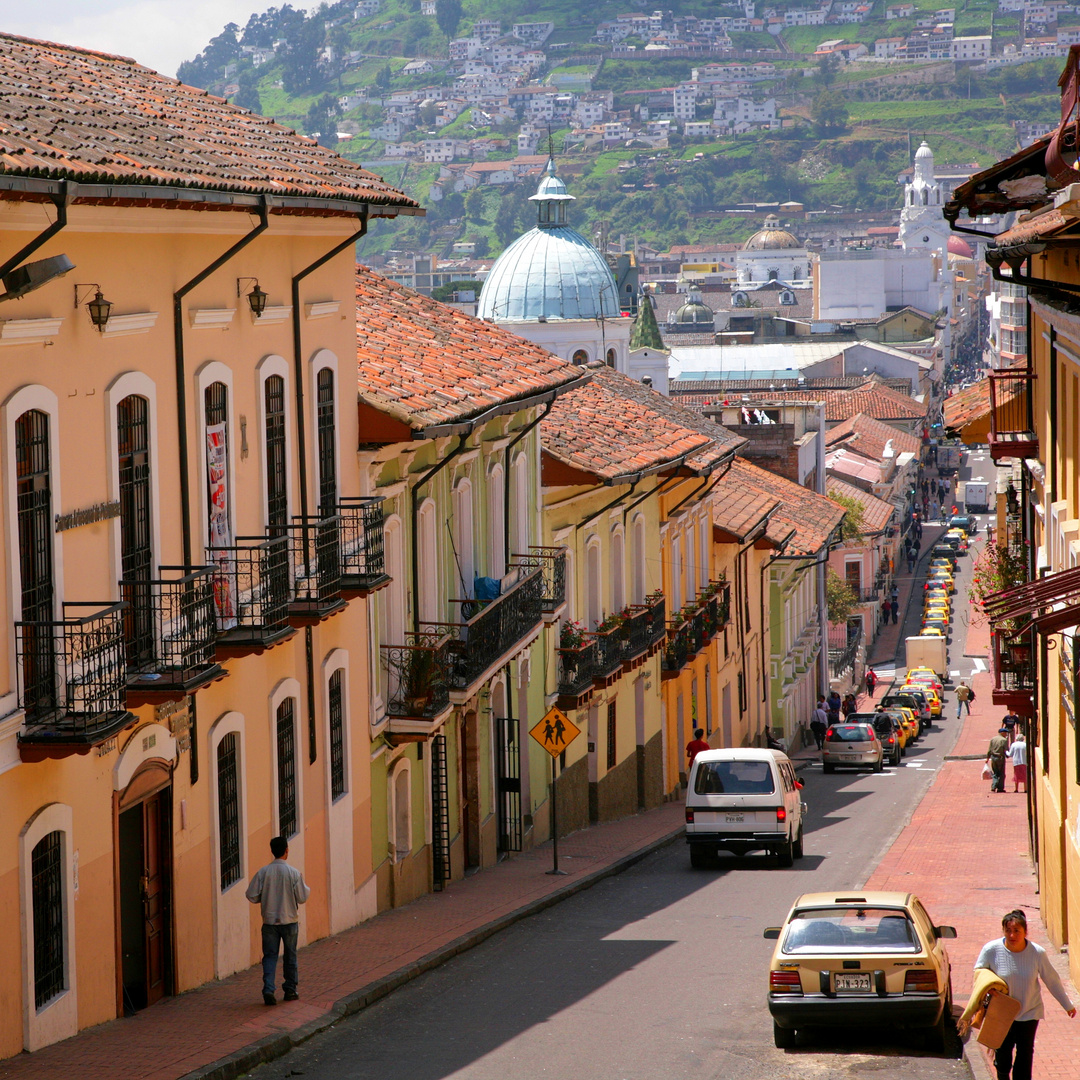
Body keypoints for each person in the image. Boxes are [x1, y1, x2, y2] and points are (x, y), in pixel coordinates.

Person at [974, 909, 1076, 1080]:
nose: (1012, 935)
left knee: (1025, 1054)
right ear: (1003, 931)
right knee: (1003, 1055)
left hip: (1029, 1012)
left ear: (1025, 932)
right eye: (1008, 931)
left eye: (1016, 931)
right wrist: (987, 987)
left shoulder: (1037, 953)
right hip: (1002, 1013)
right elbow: (979, 971)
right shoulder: (992, 950)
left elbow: (1051, 980)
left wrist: (1067, 1004)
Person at [246, 836, 311, 1005]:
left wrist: (264, 897)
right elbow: (303, 897)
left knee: (269, 956)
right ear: (286, 850)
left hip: (269, 922)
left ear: (272, 851)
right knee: (290, 956)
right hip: (289, 920)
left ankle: (268, 989)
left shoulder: (263, 872)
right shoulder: (294, 873)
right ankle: (290, 989)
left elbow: (251, 895)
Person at [987, 727, 1009, 793]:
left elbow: (989, 750)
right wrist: (1008, 755)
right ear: (1002, 733)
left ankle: (993, 786)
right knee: (1001, 773)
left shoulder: (993, 739)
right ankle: (1000, 788)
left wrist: (987, 758)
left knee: (995, 773)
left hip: (993, 757)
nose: (1006, 734)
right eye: (1005, 733)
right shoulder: (1004, 740)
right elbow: (1006, 749)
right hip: (1000, 757)